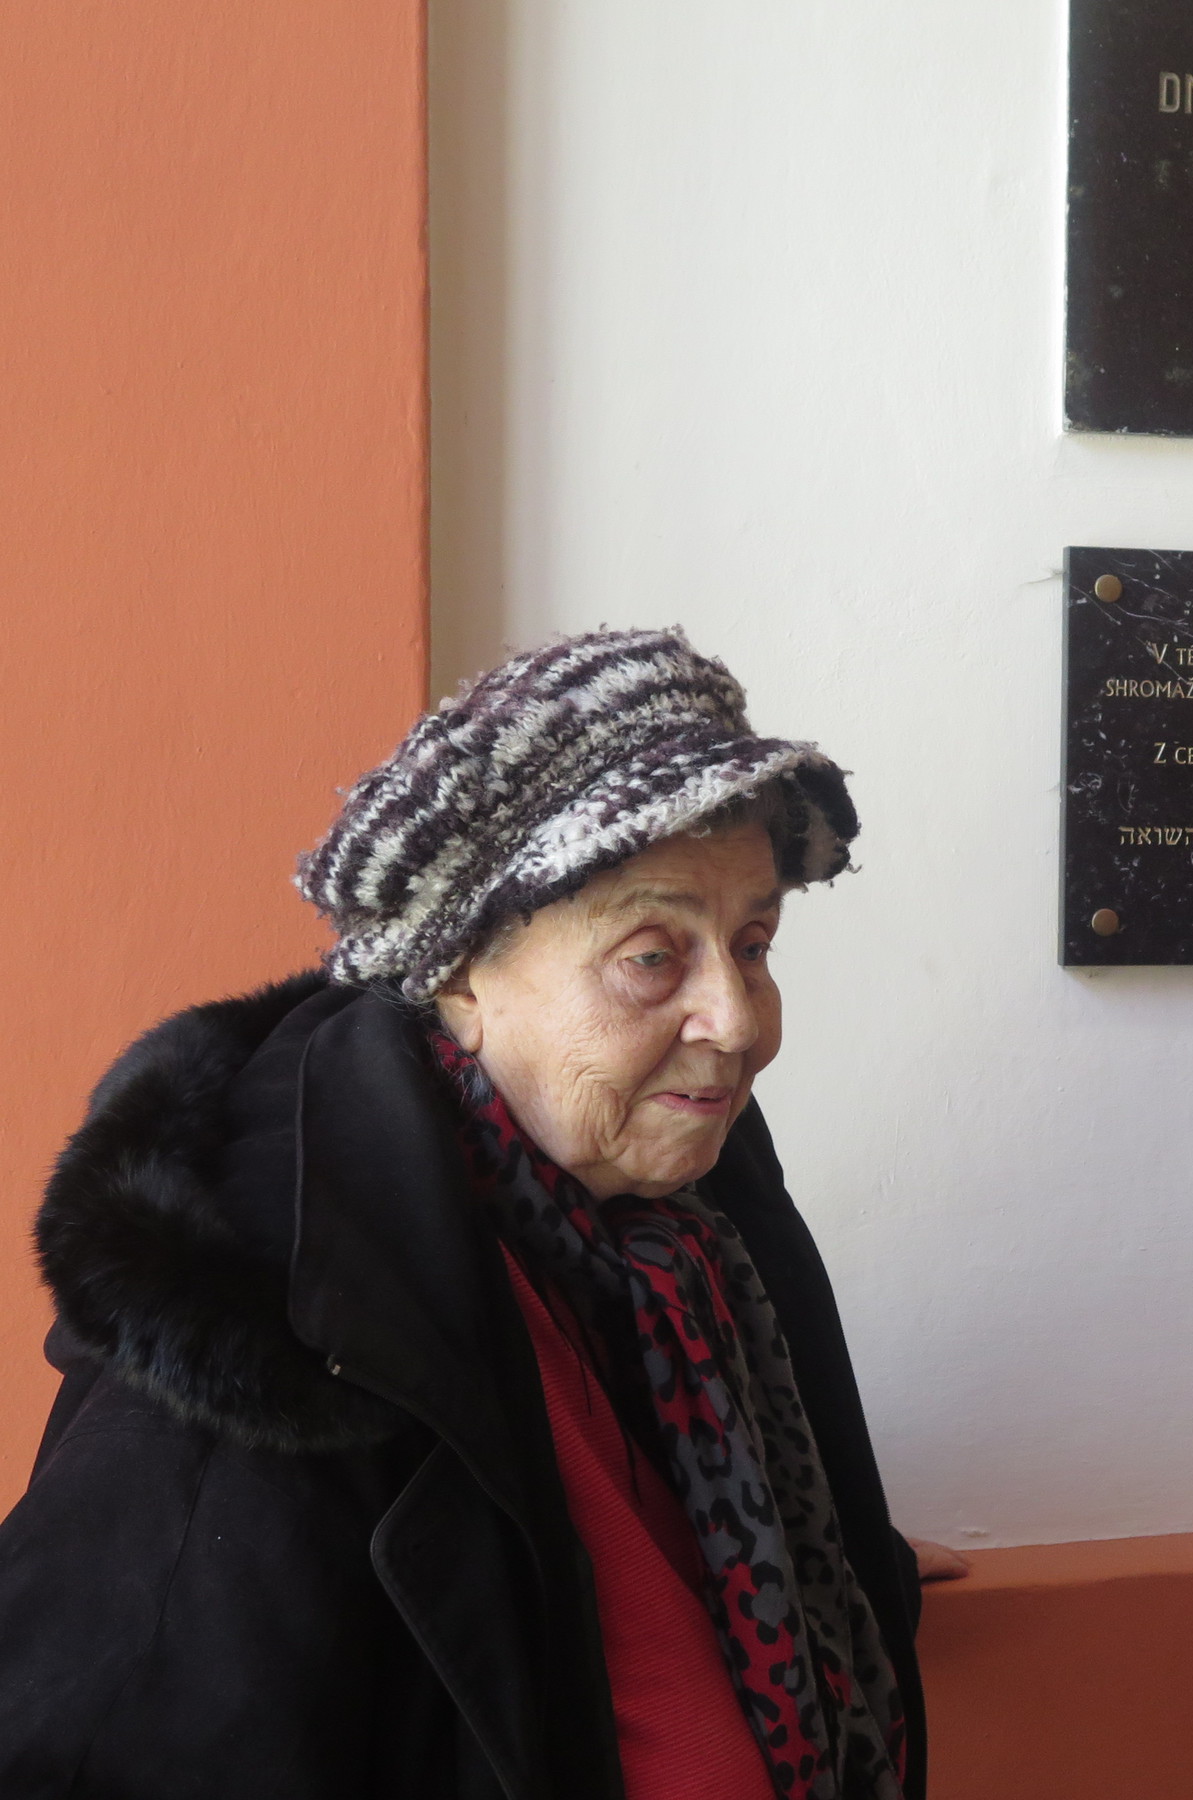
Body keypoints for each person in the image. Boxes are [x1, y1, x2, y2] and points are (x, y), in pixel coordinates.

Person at [0, 628, 950, 1799]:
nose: (741, 1020)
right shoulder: (272, 1351)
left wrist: (838, 1567)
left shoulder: (688, 1228)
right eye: (653, 956)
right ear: (458, 971)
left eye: (753, 944)